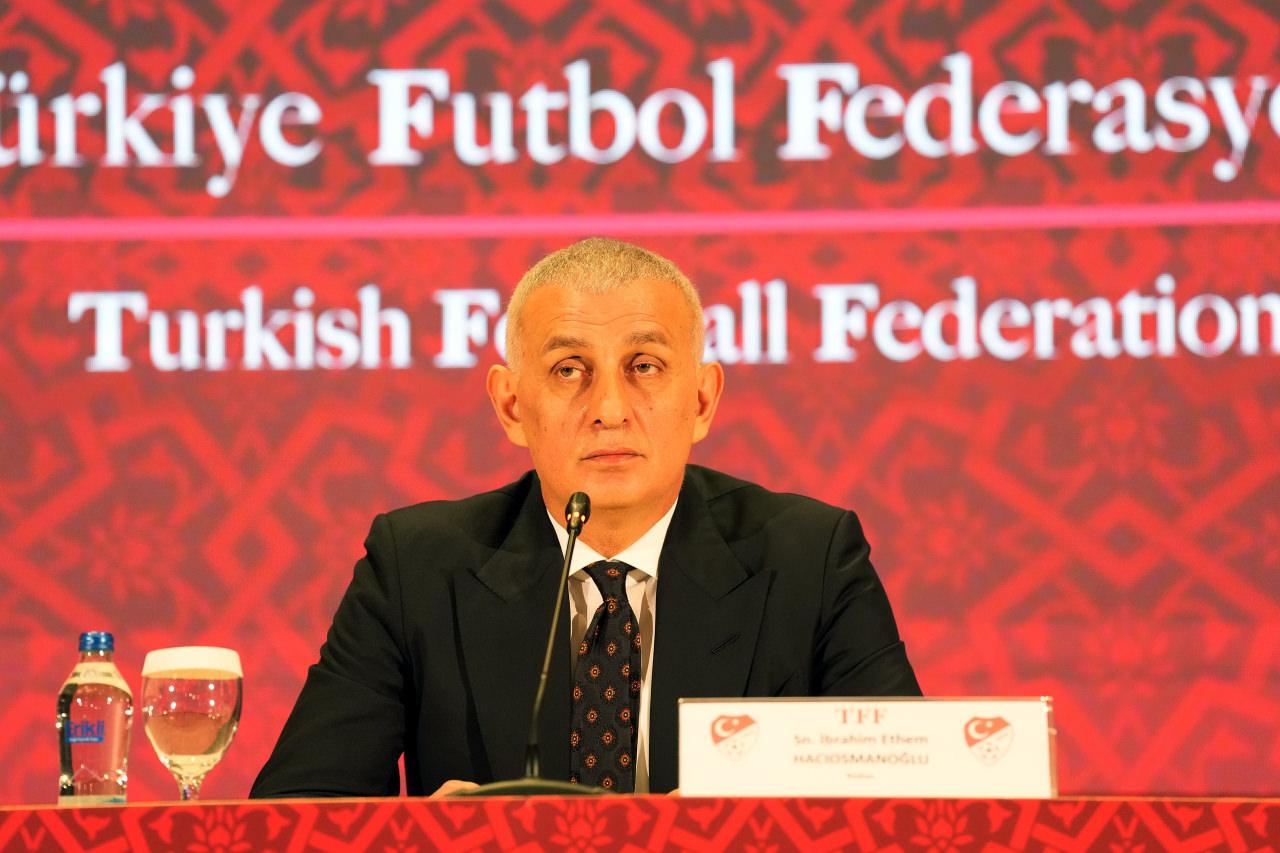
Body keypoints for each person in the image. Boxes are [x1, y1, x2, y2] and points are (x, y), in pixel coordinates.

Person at [250, 238, 920, 798]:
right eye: (569, 370)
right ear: (511, 405)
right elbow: (292, 819)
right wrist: (426, 841)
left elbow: (913, 803)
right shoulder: (414, 568)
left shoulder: (811, 560)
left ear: (702, 399)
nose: (609, 409)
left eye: (645, 366)